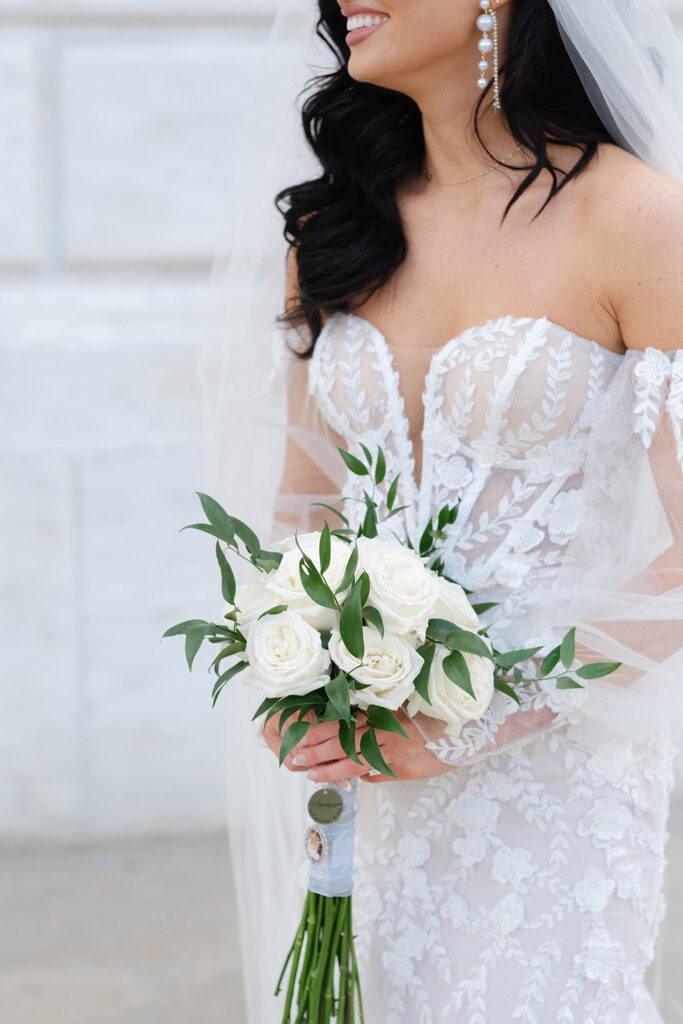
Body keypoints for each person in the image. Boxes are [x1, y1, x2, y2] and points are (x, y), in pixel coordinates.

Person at [253, 0, 683, 1020]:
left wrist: (474, 719)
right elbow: (306, 505)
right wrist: (296, 666)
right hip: (371, 779)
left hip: (555, 775)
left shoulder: (634, 220)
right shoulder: (333, 230)